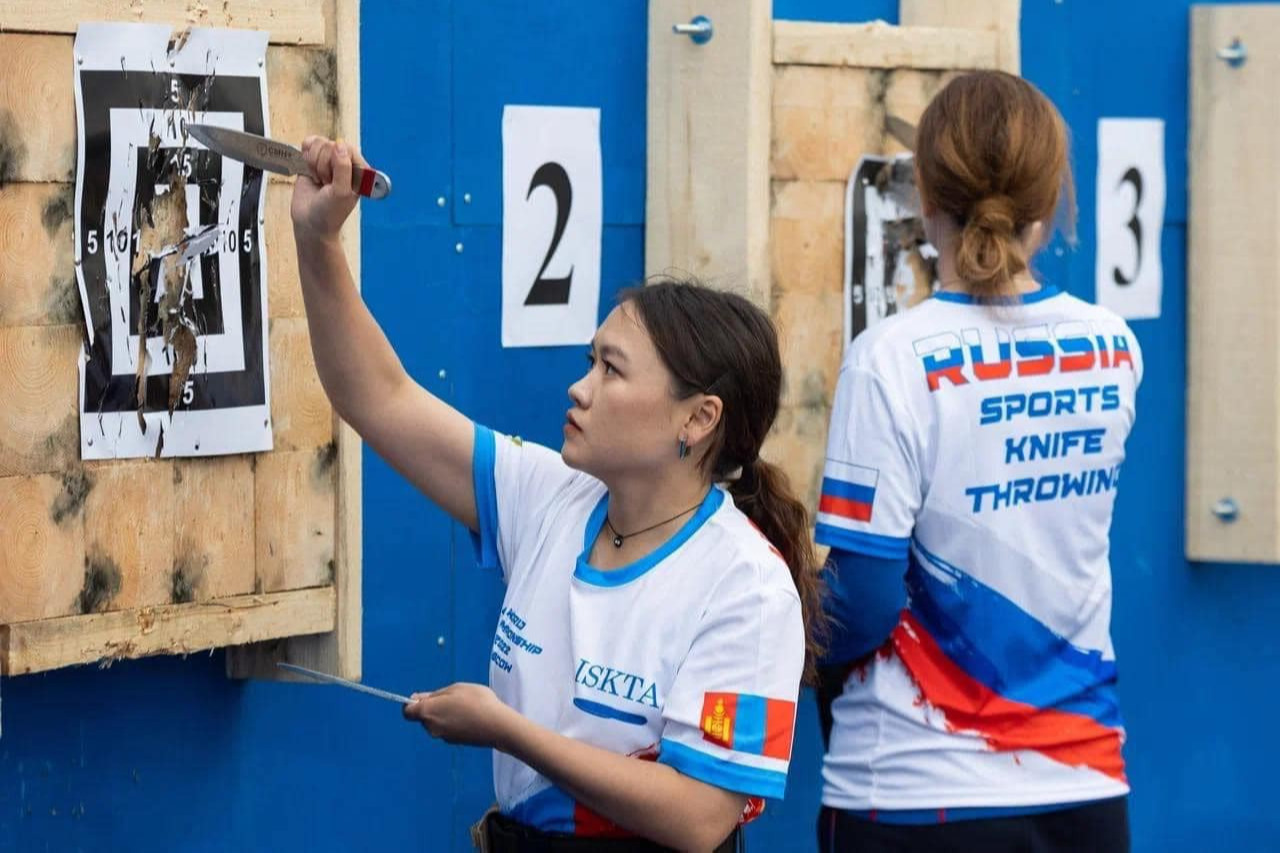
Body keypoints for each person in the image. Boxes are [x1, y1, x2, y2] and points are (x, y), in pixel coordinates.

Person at [289, 135, 824, 852]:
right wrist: (317, 237)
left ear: (698, 419)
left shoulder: (747, 586)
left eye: (611, 369)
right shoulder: (553, 496)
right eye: (588, 361)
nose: (580, 387)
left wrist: (509, 730)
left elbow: (700, 815)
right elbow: (377, 396)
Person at [813, 70, 1141, 852]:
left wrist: (785, 648)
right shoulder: (1113, 346)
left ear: (923, 192)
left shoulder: (891, 358)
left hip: (914, 791)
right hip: (1085, 790)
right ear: (1051, 196)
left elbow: (860, 595)